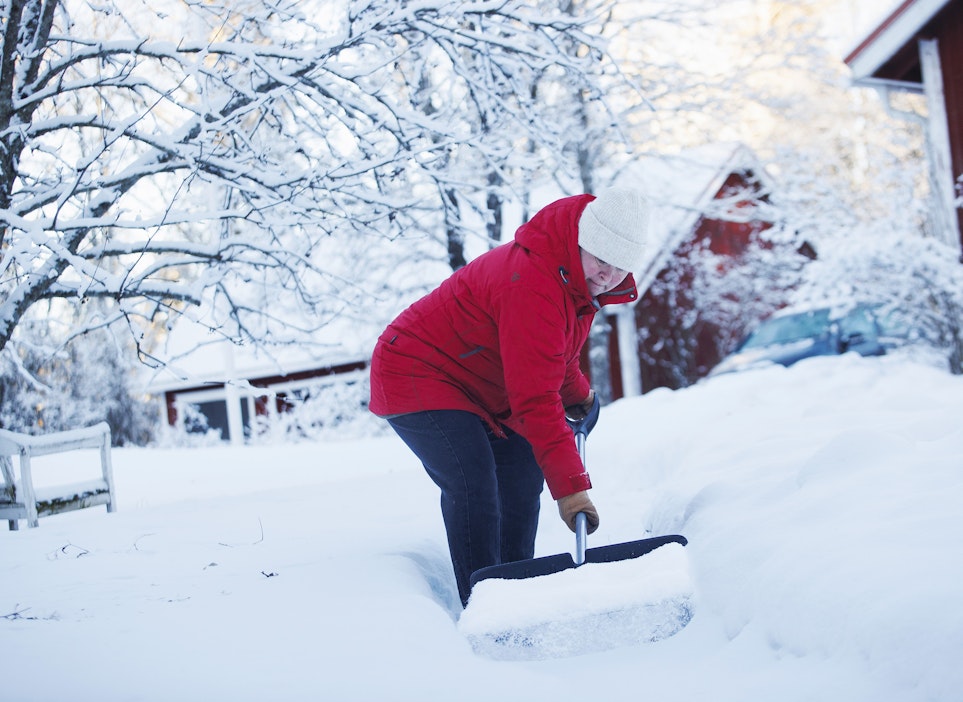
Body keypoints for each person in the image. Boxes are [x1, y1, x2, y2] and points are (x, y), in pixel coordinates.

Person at [369, 189, 650, 607]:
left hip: (483, 385)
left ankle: (519, 595)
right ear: (580, 241)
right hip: (417, 370)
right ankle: (484, 603)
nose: (609, 275)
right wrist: (573, 490)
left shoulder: (577, 282)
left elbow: (552, 356)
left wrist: (578, 396)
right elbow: (535, 399)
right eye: (601, 259)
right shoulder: (534, 281)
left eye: (620, 264)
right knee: (474, 478)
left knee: (522, 475)